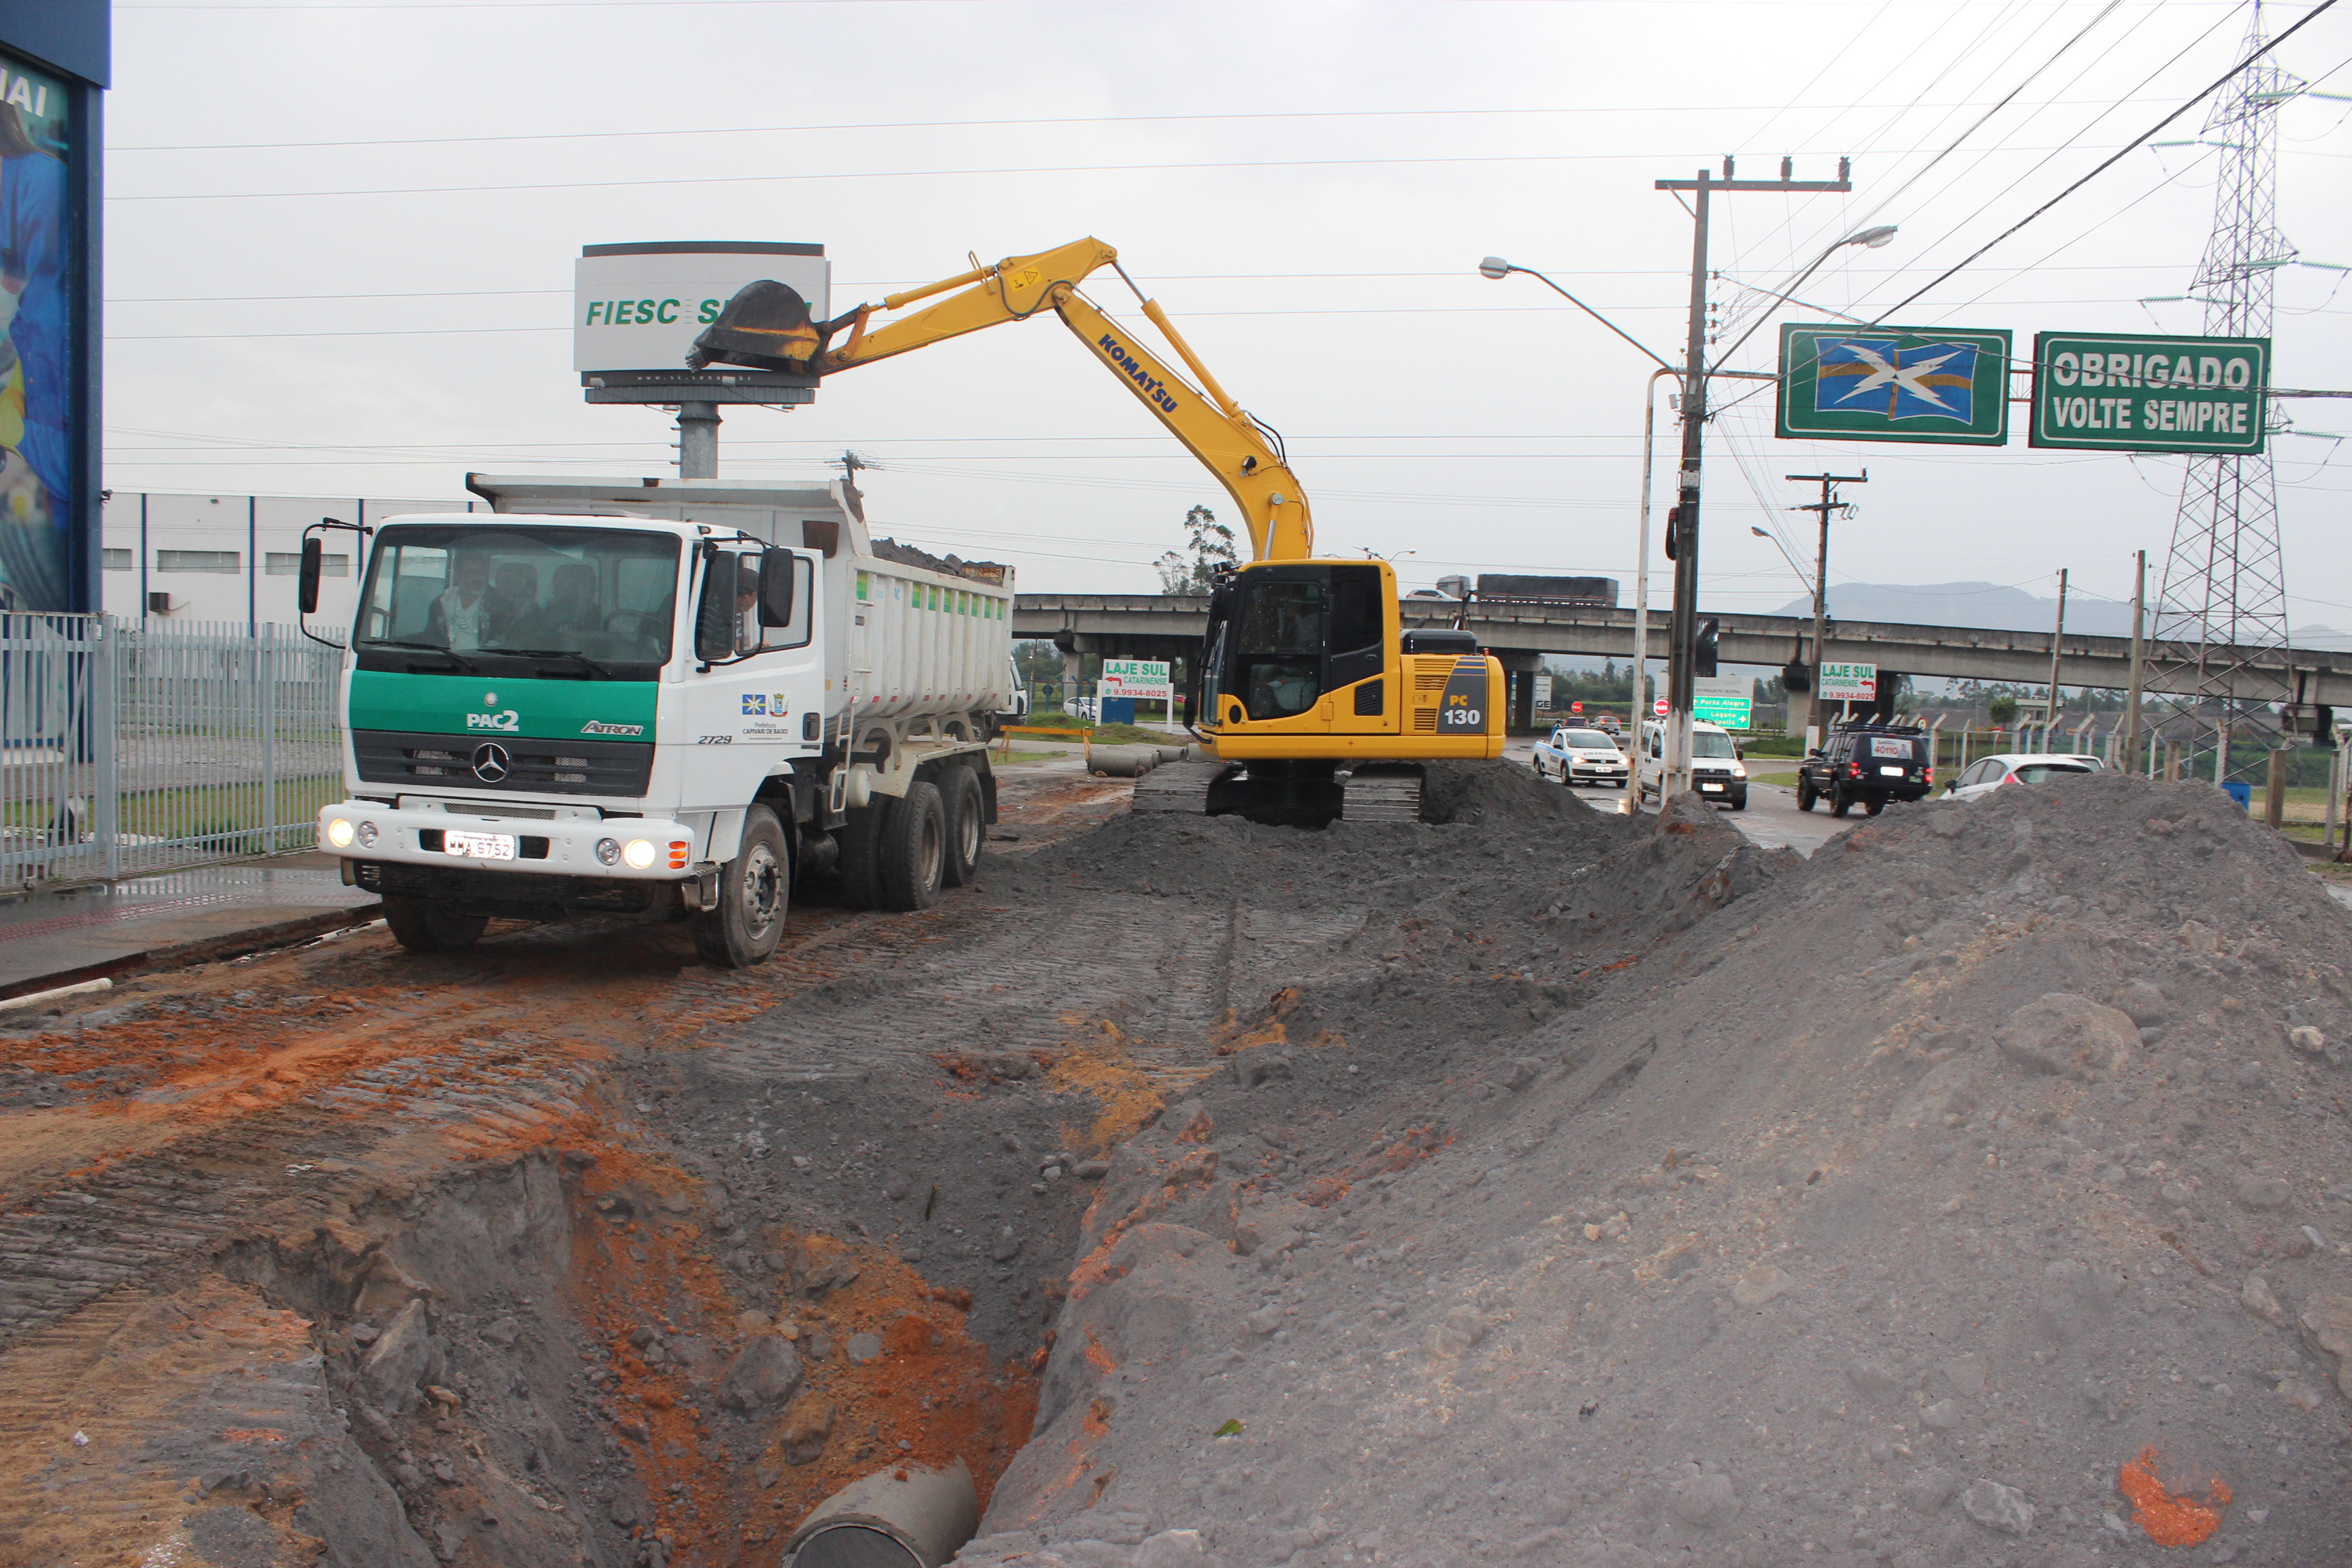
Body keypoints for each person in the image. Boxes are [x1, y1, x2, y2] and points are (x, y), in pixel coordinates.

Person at [425, 553, 500, 650]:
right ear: (458, 575)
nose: (477, 577)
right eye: (470, 572)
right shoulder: (440, 604)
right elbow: (431, 639)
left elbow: (503, 642)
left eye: (481, 571)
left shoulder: (499, 604)